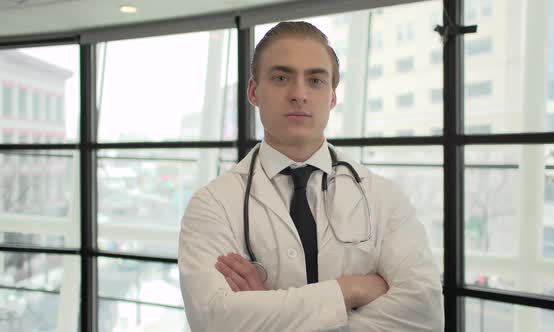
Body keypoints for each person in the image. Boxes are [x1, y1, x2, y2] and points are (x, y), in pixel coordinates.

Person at [178, 21, 444, 331]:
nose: (299, 94)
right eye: (281, 78)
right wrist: (350, 290)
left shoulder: (383, 198)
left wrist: (267, 313)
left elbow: (424, 314)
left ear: (332, 97)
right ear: (253, 91)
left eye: (315, 80)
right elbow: (214, 320)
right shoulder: (212, 206)